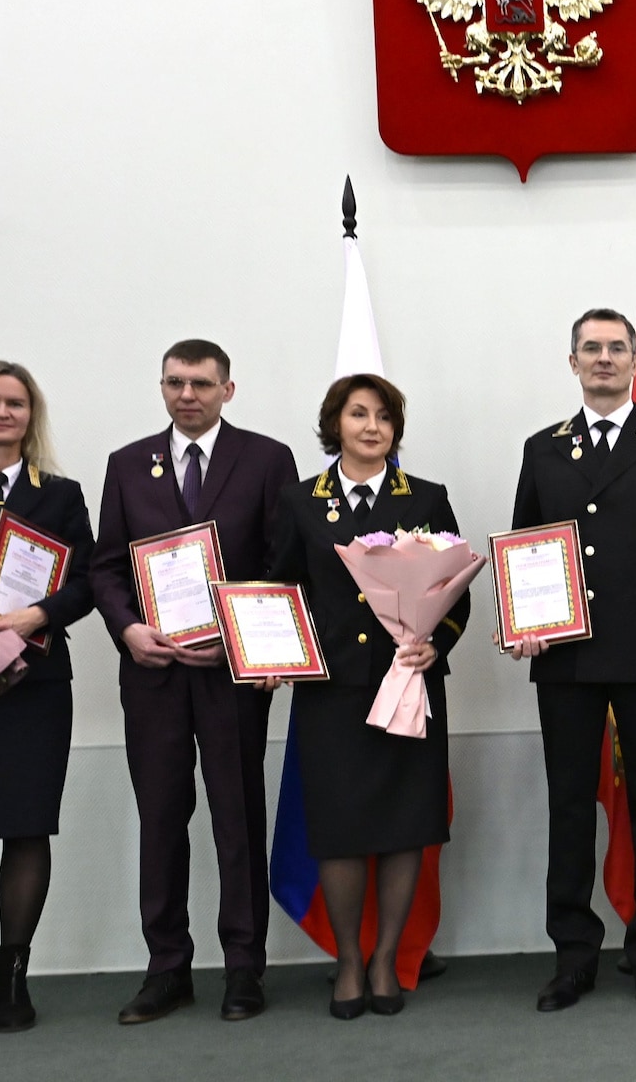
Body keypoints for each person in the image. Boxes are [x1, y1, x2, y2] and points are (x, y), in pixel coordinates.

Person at [89, 340, 297, 1024]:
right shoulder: (127, 464)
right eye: (175, 382)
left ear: (227, 390)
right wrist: (128, 630)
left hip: (229, 676)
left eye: (201, 384)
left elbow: (282, 563)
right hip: (153, 676)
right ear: (162, 386)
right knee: (160, 819)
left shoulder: (266, 459)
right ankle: (166, 969)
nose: (187, 395)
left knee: (238, 819)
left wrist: (243, 641)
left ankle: (243, 968)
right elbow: (106, 567)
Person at [508, 308, 636, 1009]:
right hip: (566, 655)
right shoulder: (542, 449)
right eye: (590, 348)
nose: (603, 358)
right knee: (569, 807)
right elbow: (525, 545)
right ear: (573, 363)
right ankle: (573, 955)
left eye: (616, 348)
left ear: (634, 361)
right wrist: (524, 622)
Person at [266, 374, 470, 1018]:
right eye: (358, 414)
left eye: (384, 416)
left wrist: (438, 645)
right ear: (336, 424)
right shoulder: (299, 501)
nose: (372, 427)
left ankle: (386, 959)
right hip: (332, 693)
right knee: (340, 831)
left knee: (406, 825)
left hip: (407, 685)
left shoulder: (427, 497)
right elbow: (280, 590)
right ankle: (350, 961)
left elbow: (457, 594)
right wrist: (273, 653)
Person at [0, 361, 95, 1037]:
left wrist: (40, 614)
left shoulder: (60, 495)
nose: (2, 412)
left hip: (32, 683)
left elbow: (87, 580)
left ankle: (13, 977)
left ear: (31, 414)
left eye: (15, 402)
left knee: (28, 828)